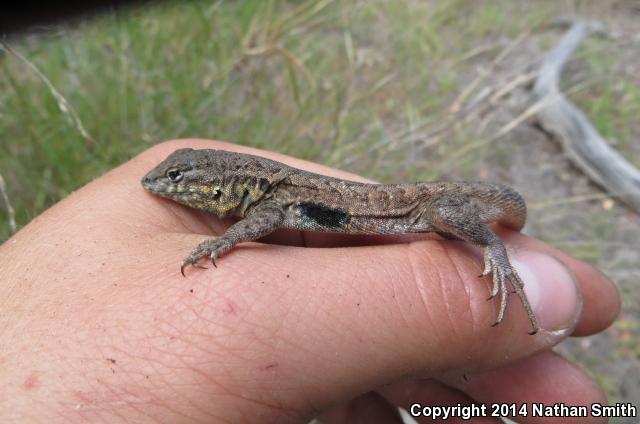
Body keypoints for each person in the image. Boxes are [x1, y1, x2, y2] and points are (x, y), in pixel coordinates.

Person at [0, 139, 619, 423]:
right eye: (177, 178)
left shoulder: (267, 200)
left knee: (450, 222)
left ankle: (500, 259)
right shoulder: (268, 194)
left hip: (424, 205)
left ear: (222, 183)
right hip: (375, 208)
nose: (167, 187)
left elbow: (258, 222)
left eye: (182, 181)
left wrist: (219, 242)